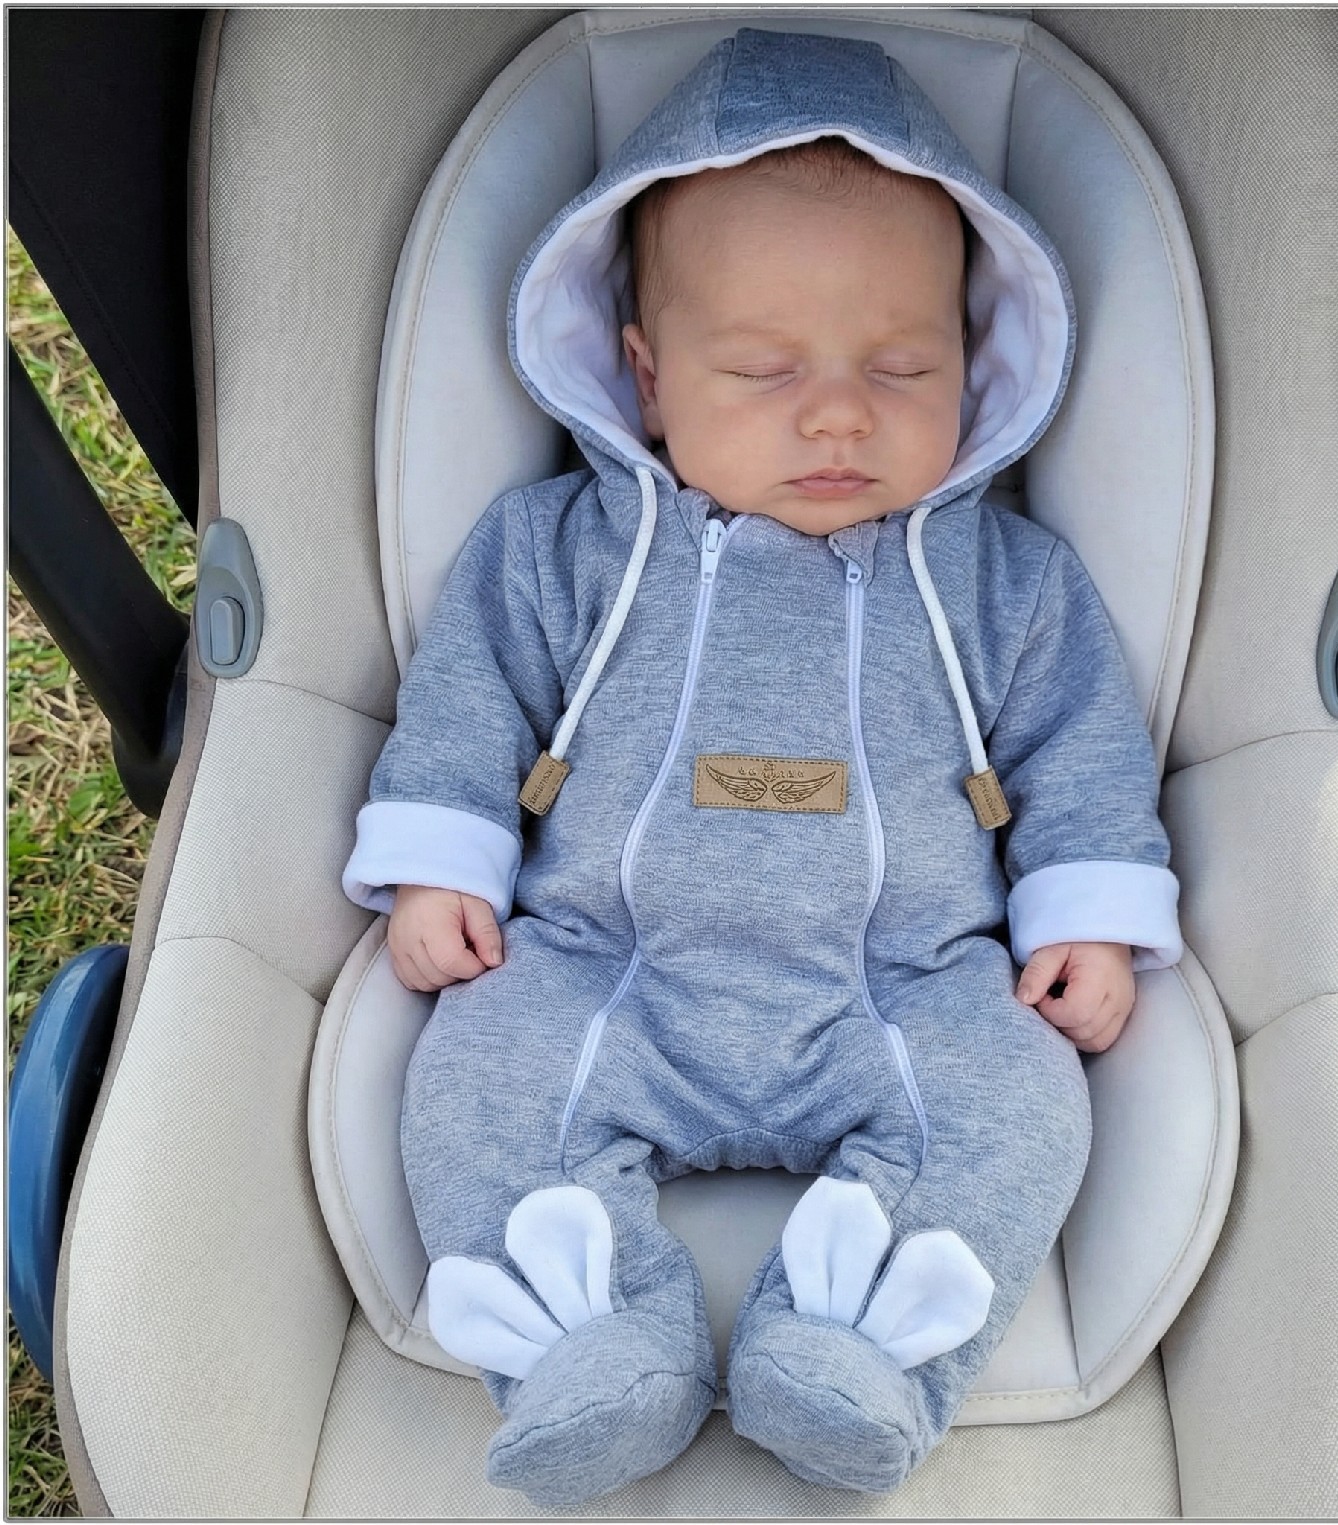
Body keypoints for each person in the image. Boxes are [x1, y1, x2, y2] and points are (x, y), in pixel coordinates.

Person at [342, 27, 1181, 1508]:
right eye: (761, 369)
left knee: (1022, 1099)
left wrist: (1087, 914)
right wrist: (441, 859)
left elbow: (1081, 749)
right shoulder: (559, 550)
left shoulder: (1006, 582)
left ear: (975, 361)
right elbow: (468, 698)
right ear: (647, 377)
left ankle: (856, 1352)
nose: (840, 412)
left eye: (903, 366)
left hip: (905, 985)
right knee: (475, 1076)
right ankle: (592, 1344)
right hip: (603, 967)